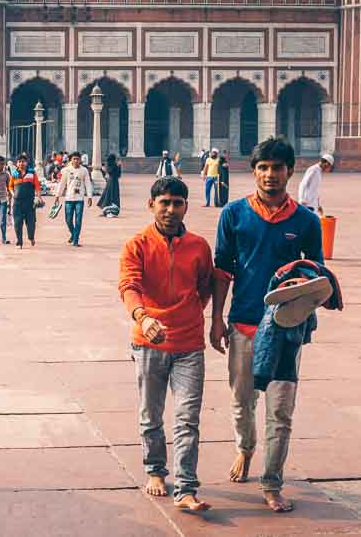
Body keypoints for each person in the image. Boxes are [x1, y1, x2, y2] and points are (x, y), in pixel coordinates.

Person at [211, 136, 325, 515]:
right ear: (253, 170)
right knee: (242, 402)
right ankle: (245, 448)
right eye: (263, 167)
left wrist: (302, 304)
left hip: (284, 330)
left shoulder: (306, 221)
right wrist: (215, 319)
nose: (270, 175)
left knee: (280, 411)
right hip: (243, 322)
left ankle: (272, 481)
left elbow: (317, 275)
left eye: (277, 168)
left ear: (290, 171)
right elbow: (223, 270)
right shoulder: (234, 214)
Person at [120, 175, 216, 515]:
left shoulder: (199, 247)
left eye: (177, 203)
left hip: (189, 342)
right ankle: (156, 470)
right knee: (151, 415)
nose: (171, 209)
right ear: (151, 205)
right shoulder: (137, 245)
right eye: (164, 203)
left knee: (188, 418)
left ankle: (187, 487)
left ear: (186, 206)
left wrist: (191, 314)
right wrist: (144, 318)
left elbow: (206, 287)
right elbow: (128, 286)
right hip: (148, 341)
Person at [57, 151, 93, 246]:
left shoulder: (84, 170)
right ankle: (73, 234)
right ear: (71, 160)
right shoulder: (66, 170)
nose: (76, 161)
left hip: (79, 199)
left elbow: (88, 183)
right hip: (69, 198)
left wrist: (89, 196)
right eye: (74, 159)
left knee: (78, 220)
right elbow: (62, 183)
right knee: (68, 220)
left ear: (80, 160)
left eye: (77, 159)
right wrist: (57, 195)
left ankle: (76, 240)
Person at [10, 154, 40, 248]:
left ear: (27, 163)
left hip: (29, 202)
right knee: (17, 223)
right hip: (17, 202)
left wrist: (39, 197)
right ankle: (19, 242)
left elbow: (37, 186)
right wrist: (12, 194)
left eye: (23, 161)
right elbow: (10, 186)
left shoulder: (32, 173)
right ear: (16, 163)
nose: (21, 163)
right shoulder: (14, 174)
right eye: (19, 162)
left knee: (31, 223)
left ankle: (31, 237)